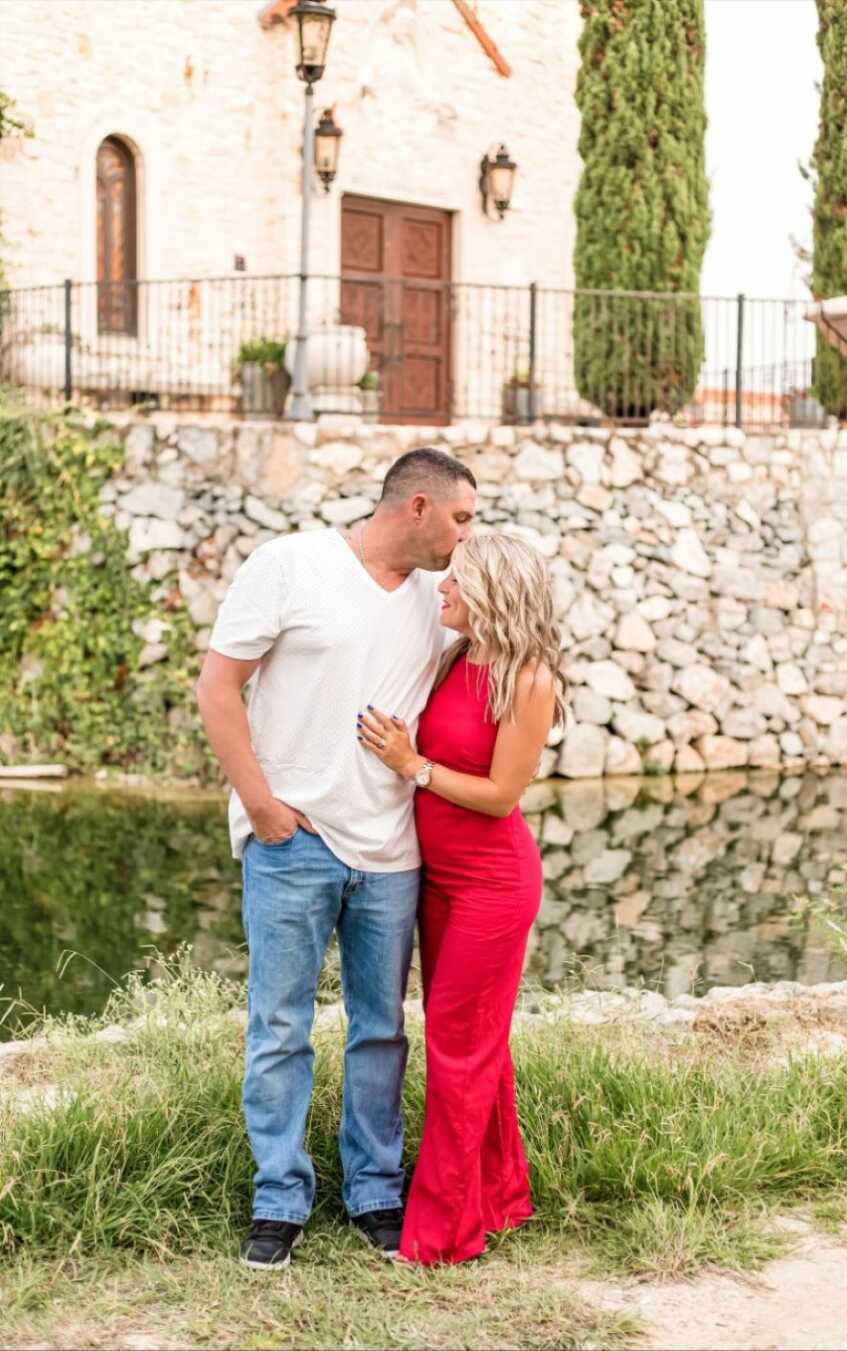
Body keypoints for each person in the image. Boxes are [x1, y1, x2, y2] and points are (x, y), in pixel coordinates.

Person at [196, 448, 477, 1269]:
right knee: (279, 1026)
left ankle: (375, 1191)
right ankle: (278, 1197)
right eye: (463, 517)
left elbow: (519, 640)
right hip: (294, 843)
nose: (470, 534)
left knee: (381, 1029)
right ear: (418, 506)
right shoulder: (290, 565)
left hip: (393, 851)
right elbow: (219, 687)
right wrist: (260, 806)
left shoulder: (440, 599)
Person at [357, 531, 567, 1265]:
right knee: (478, 1046)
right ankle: (500, 1196)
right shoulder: (456, 656)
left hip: (491, 885)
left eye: (455, 581)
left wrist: (413, 766)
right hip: (439, 882)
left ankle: (442, 1234)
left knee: (457, 1049)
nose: (440, 589)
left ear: (494, 592)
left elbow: (502, 794)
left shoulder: (529, 678)